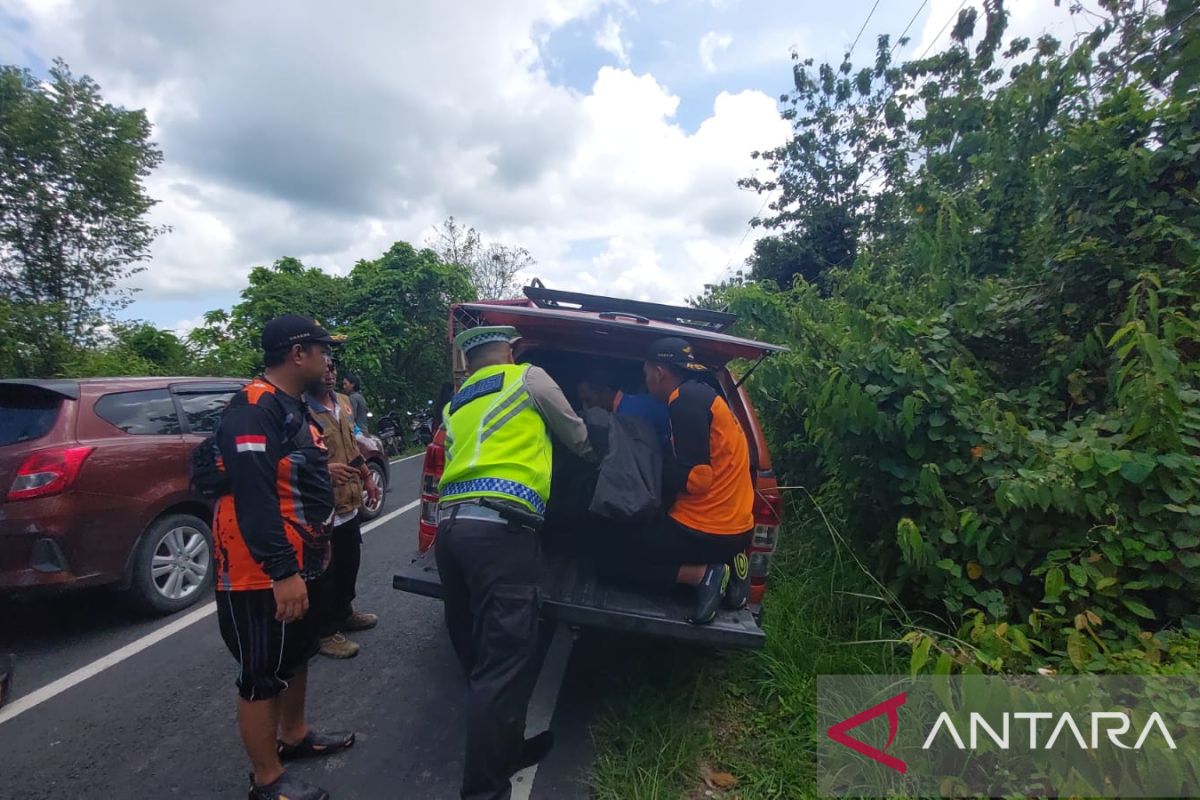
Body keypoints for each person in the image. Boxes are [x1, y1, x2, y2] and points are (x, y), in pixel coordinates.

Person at [435, 325, 595, 800]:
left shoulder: (456, 403)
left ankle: (507, 751)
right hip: (501, 534)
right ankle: (485, 792)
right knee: (502, 667)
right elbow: (577, 434)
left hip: (451, 532)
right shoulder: (528, 377)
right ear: (509, 350)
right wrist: (595, 457)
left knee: (479, 657)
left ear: (470, 360)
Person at [212, 314, 355, 800]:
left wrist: (323, 470)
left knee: (295, 655)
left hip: (301, 560)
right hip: (260, 572)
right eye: (322, 348)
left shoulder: (291, 406)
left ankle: (294, 737)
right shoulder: (254, 408)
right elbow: (252, 496)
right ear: (299, 354)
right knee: (261, 675)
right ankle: (266, 780)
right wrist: (282, 572)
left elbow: (279, 469)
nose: (327, 358)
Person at [615, 336, 755, 625]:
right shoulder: (707, 397)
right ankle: (736, 567)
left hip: (703, 531)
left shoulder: (684, 401)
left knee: (613, 558)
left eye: (645, 375)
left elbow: (698, 479)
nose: (646, 382)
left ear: (658, 372)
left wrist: (654, 464)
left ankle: (706, 574)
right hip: (738, 530)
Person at [306, 359, 382, 659]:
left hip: (349, 501)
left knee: (349, 561)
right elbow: (295, 459)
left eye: (333, 367)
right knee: (325, 571)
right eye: (322, 367)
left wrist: (367, 479)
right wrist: (323, 472)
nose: (329, 373)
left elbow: (351, 448)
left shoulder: (344, 403)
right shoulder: (301, 408)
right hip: (321, 505)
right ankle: (325, 632)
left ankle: (345, 612)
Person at [577, 371, 671, 450]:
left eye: (588, 400)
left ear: (605, 392)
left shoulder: (624, 419)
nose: (587, 406)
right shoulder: (638, 401)